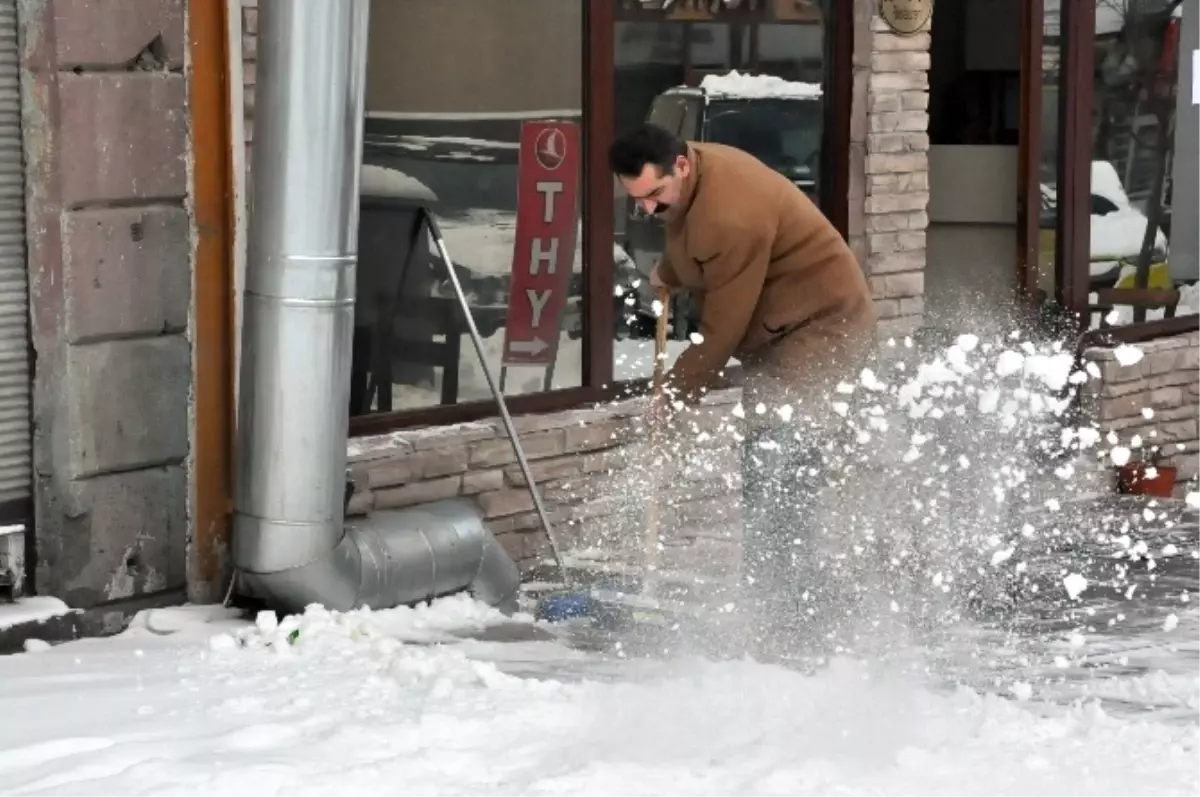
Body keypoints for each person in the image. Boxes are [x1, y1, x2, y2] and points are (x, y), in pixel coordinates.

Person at [609, 123, 876, 658]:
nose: (648, 211)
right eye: (637, 201)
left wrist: (677, 393)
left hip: (819, 329)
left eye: (654, 196)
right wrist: (669, 270)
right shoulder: (698, 175)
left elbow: (724, 326)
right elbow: (692, 240)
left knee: (780, 465)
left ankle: (790, 615)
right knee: (769, 465)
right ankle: (778, 601)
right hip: (783, 326)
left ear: (679, 166)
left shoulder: (732, 214)